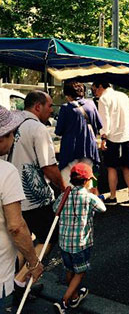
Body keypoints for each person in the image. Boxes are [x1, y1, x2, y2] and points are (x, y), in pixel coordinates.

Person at [7, 91, 67, 304]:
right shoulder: (37, 128)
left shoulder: (12, 123)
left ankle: (17, 285)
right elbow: (49, 167)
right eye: (49, 106)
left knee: (21, 241)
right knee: (49, 236)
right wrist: (62, 186)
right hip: (34, 197)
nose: (52, 110)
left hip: (10, 194)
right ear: (38, 106)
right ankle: (20, 280)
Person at [0, 106, 44, 313]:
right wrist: (34, 263)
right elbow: (16, 226)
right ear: (2, 138)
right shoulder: (6, 172)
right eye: (12, 134)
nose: (14, 138)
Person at [53, 163, 106, 314]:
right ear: (87, 181)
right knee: (80, 272)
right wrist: (96, 195)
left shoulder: (64, 195)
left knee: (70, 269)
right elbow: (103, 208)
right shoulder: (88, 197)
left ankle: (75, 296)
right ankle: (63, 301)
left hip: (64, 242)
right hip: (81, 243)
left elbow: (55, 208)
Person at [91, 82, 129, 205]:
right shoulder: (123, 95)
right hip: (126, 135)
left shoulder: (103, 99)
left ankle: (112, 196)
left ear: (100, 86)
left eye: (94, 89)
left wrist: (103, 137)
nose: (95, 92)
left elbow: (104, 120)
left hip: (112, 138)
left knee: (112, 168)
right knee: (126, 167)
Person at [55, 81, 103, 184]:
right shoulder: (91, 104)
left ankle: (70, 199)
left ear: (68, 95)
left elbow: (58, 131)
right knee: (86, 180)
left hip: (70, 150)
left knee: (68, 181)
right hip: (89, 149)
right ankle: (85, 199)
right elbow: (99, 125)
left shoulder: (65, 108)